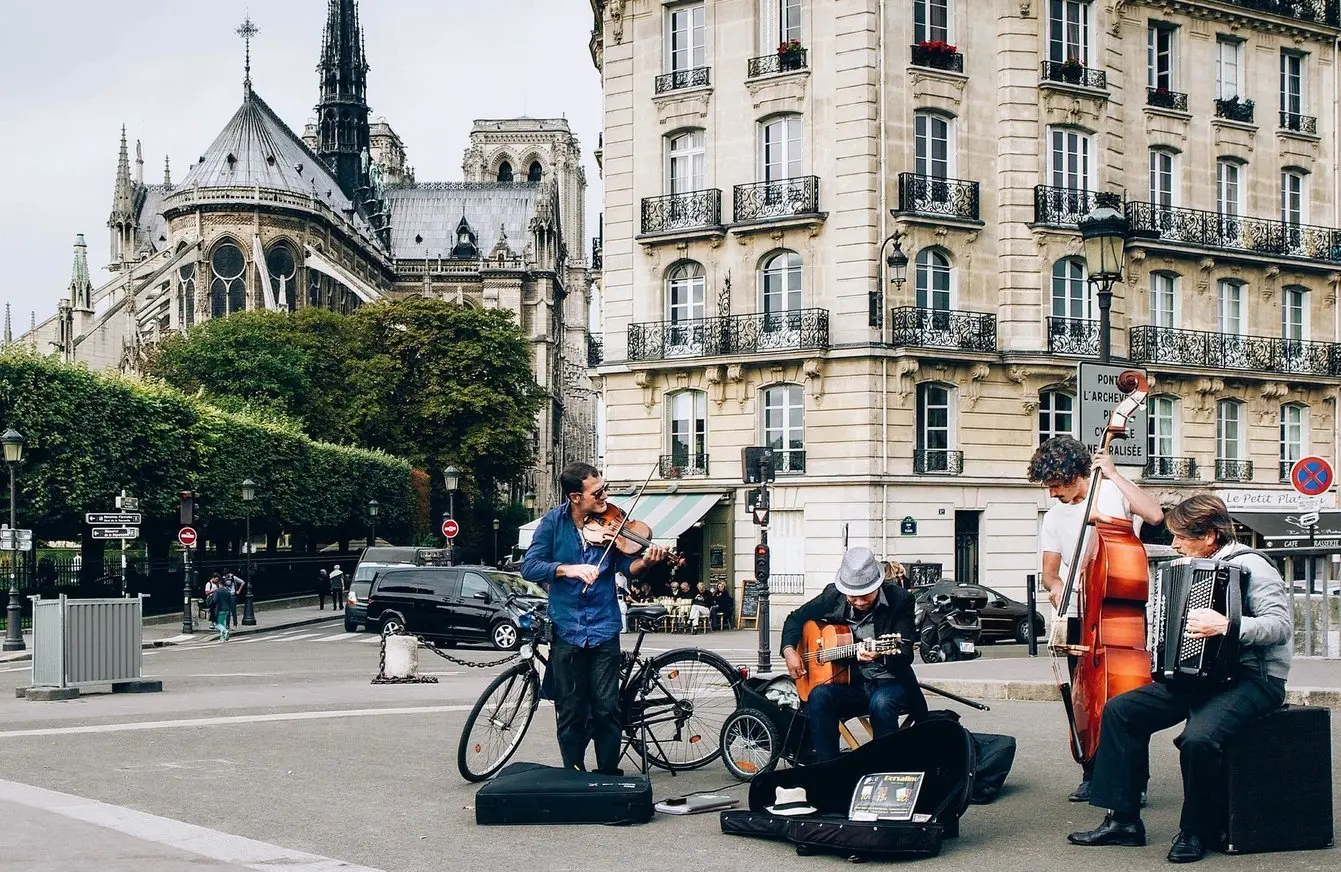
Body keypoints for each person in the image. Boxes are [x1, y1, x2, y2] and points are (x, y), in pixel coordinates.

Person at [1067, 495, 1291, 863]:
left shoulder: (1254, 566)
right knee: (1122, 711)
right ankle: (1123, 821)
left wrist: (1227, 625)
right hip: (1200, 675)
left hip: (1253, 677)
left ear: (1210, 536)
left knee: (1198, 739)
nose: (1174, 545)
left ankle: (1194, 831)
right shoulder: (1193, 565)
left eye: (1182, 537)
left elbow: (1279, 627)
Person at [1028, 435, 1164, 802]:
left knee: (1128, 697)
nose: (1052, 494)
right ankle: (1091, 769)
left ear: (1075, 474)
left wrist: (1116, 475)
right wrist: (1056, 588)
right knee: (1084, 697)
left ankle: (1134, 780)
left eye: (1056, 485)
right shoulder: (1054, 517)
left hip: (1119, 612)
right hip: (1080, 613)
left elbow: (1154, 515)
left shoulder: (1110, 493)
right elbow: (1050, 574)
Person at [522, 461, 668, 774]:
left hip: (604, 627)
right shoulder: (552, 524)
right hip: (567, 628)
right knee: (570, 709)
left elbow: (627, 568)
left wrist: (645, 564)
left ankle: (608, 774)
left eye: (604, 489)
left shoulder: (614, 522)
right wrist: (567, 569)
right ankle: (574, 774)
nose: (605, 497)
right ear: (576, 497)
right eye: (597, 493)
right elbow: (529, 566)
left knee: (607, 708)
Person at [781, 547, 927, 764]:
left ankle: (885, 771)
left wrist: (879, 655)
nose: (859, 602)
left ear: (877, 585)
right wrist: (789, 651)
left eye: (865, 595)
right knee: (819, 696)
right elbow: (794, 619)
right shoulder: (833, 595)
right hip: (852, 684)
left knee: (881, 702)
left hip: (891, 683)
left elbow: (904, 653)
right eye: (853, 596)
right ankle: (828, 770)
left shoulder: (900, 600)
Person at [213, 575, 235, 641]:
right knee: (223, 622)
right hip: (226, 609)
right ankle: (222, 637)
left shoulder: (217, 591)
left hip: (219, 609)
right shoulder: (227, 591)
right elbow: (230, 601)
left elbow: (215, 600)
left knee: (217, 624)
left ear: (219, 584)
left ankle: (225, 631)